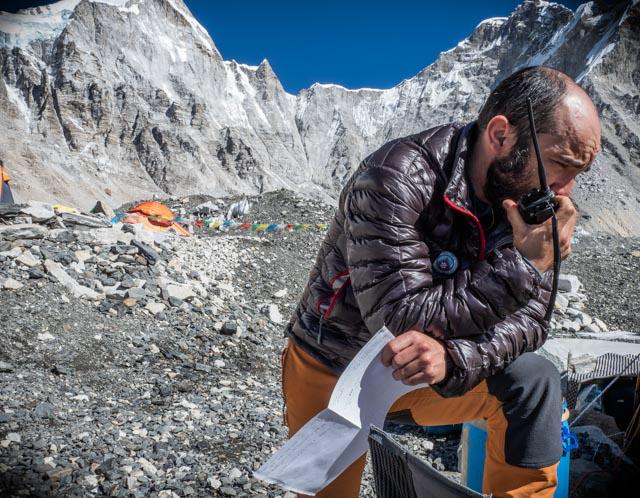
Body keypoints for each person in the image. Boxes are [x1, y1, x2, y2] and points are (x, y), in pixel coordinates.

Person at [281, 66, 601, 498]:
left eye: (580, 172)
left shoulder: (533, 203)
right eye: (561, 164)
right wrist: (526, 265)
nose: (565, 190)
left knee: (535, 382)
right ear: (501, 136)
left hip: (431, 372)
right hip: (336, 368)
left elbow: (533, 322)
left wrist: (455, 357)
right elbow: (400, 321)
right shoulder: (395, 175)